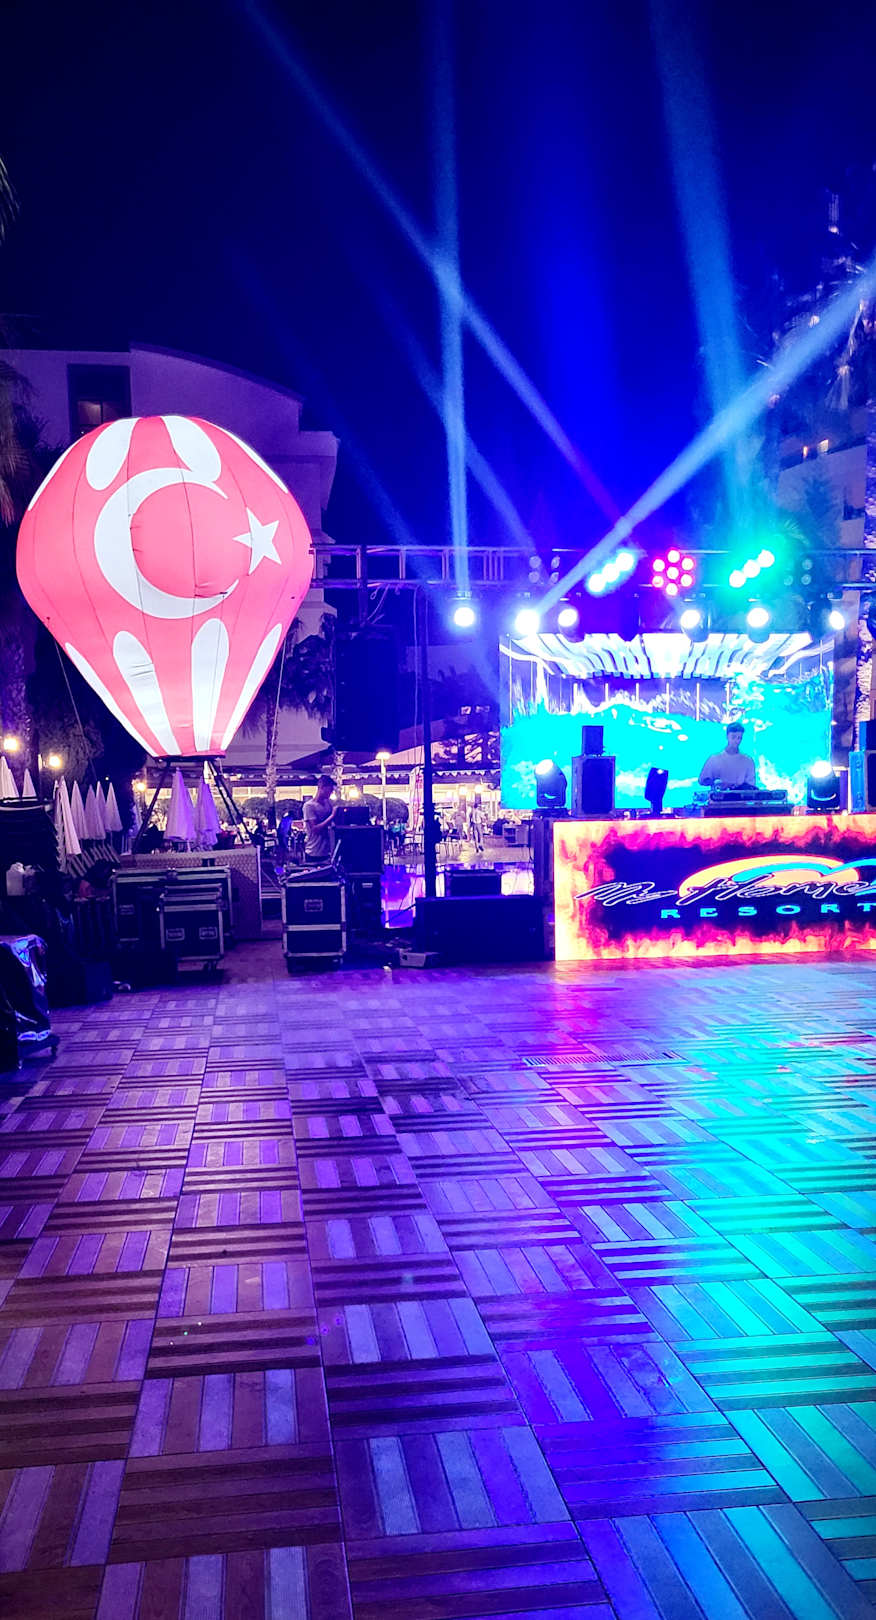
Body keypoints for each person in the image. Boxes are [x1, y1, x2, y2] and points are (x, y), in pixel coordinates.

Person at [698, 721, 756, 789]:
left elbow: (751, 786)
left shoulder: (748, 761)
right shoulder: (714, 759)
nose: (736, 741)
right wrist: (716, 783)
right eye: (733, 737)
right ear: (727, 736)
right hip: (718, 795)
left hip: (740, 796)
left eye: (739, 738)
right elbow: (702, 780)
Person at [304, 775, 336, 864]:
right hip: (314, 852)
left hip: (327, 852)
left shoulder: (328, 804)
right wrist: (332, 816)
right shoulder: (309, 806)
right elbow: (315, 829)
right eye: (330, 790)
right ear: (322, 788)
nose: (331, 792)